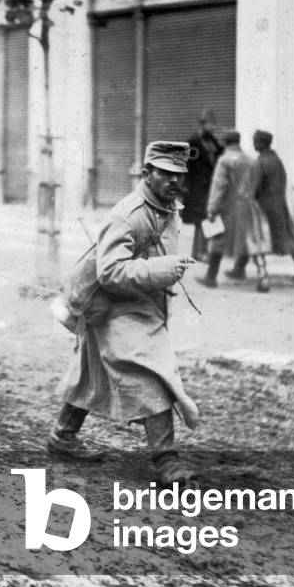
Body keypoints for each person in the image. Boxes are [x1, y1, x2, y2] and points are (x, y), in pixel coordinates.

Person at [47, 140, 200, 487]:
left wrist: (161, 274)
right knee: (151, 373)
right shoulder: (128, 215)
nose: (175, 181)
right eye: (166, 173)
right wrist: (162, 270)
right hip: (116, 306)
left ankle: (63, 436)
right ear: (146, 173)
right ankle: (166, 461)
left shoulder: (167, 207)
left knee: (91, 369)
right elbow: (110, 273)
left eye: (179, 174)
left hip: (139, 304)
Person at [198, 130, 272, 292]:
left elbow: (219, 186)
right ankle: (263, 275)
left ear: (225, 143)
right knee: (253, 241)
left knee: (218, 240)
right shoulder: (252, 161)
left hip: (229, 207)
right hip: (250, 205)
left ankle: (211, 277)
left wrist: (212, 209)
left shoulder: (225, 160)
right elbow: (258, 186)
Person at [250, 129, 294, 280]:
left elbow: (254, 188)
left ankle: (255, 271)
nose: (254, 144)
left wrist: (248, 198)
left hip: (264, 207)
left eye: (256, 141)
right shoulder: (276, 160)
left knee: (256, 238)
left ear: (261, 143)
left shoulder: (260, 162)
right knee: (288, 235)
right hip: (279, 204)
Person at [183, 110, 223, 262]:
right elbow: (187, 166)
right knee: (201, 218)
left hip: (210, 187)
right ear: (203, 124)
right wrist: (185, 187)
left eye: (214, 124)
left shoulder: (214, 143)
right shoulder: (193, 143)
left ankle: (199, 251)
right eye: (210, 124)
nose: (213, 127)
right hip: (197, 188)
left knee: (206, 218)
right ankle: (200, 251)